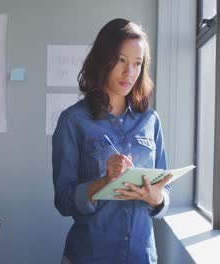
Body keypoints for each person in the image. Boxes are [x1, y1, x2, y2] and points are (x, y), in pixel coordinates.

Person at [52, 18, 172, 264]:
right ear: (103, 60)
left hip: (142, 256)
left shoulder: (151, 120)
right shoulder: (73, 121)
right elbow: (63, 201)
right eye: (121, 60)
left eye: (137, 64)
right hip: (89, 255)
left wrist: (156, 198)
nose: (129, 72)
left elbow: (164, 192)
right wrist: (104, 182)